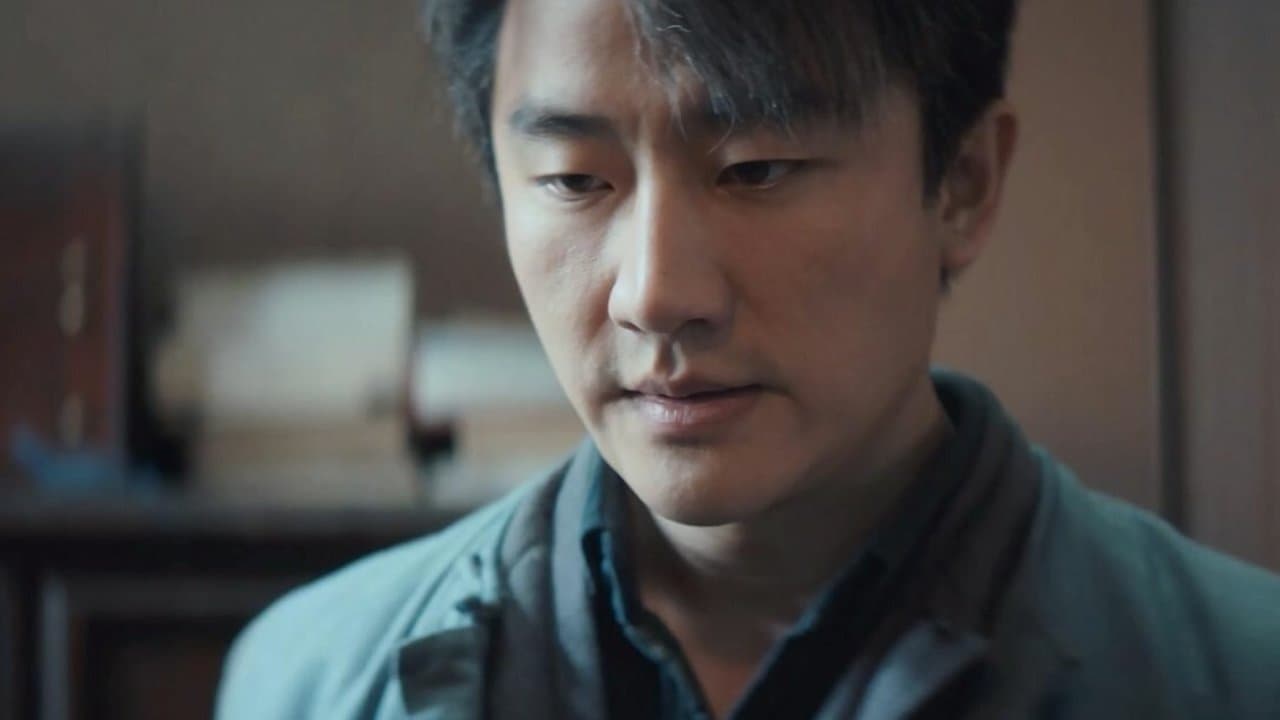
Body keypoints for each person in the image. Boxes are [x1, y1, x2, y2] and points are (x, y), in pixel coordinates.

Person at [216, 1, 1280, 718]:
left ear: (960, 184)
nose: (653, 293)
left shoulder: (1236, 676)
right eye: (574, 180)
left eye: (757, 169)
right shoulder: (308, 680)